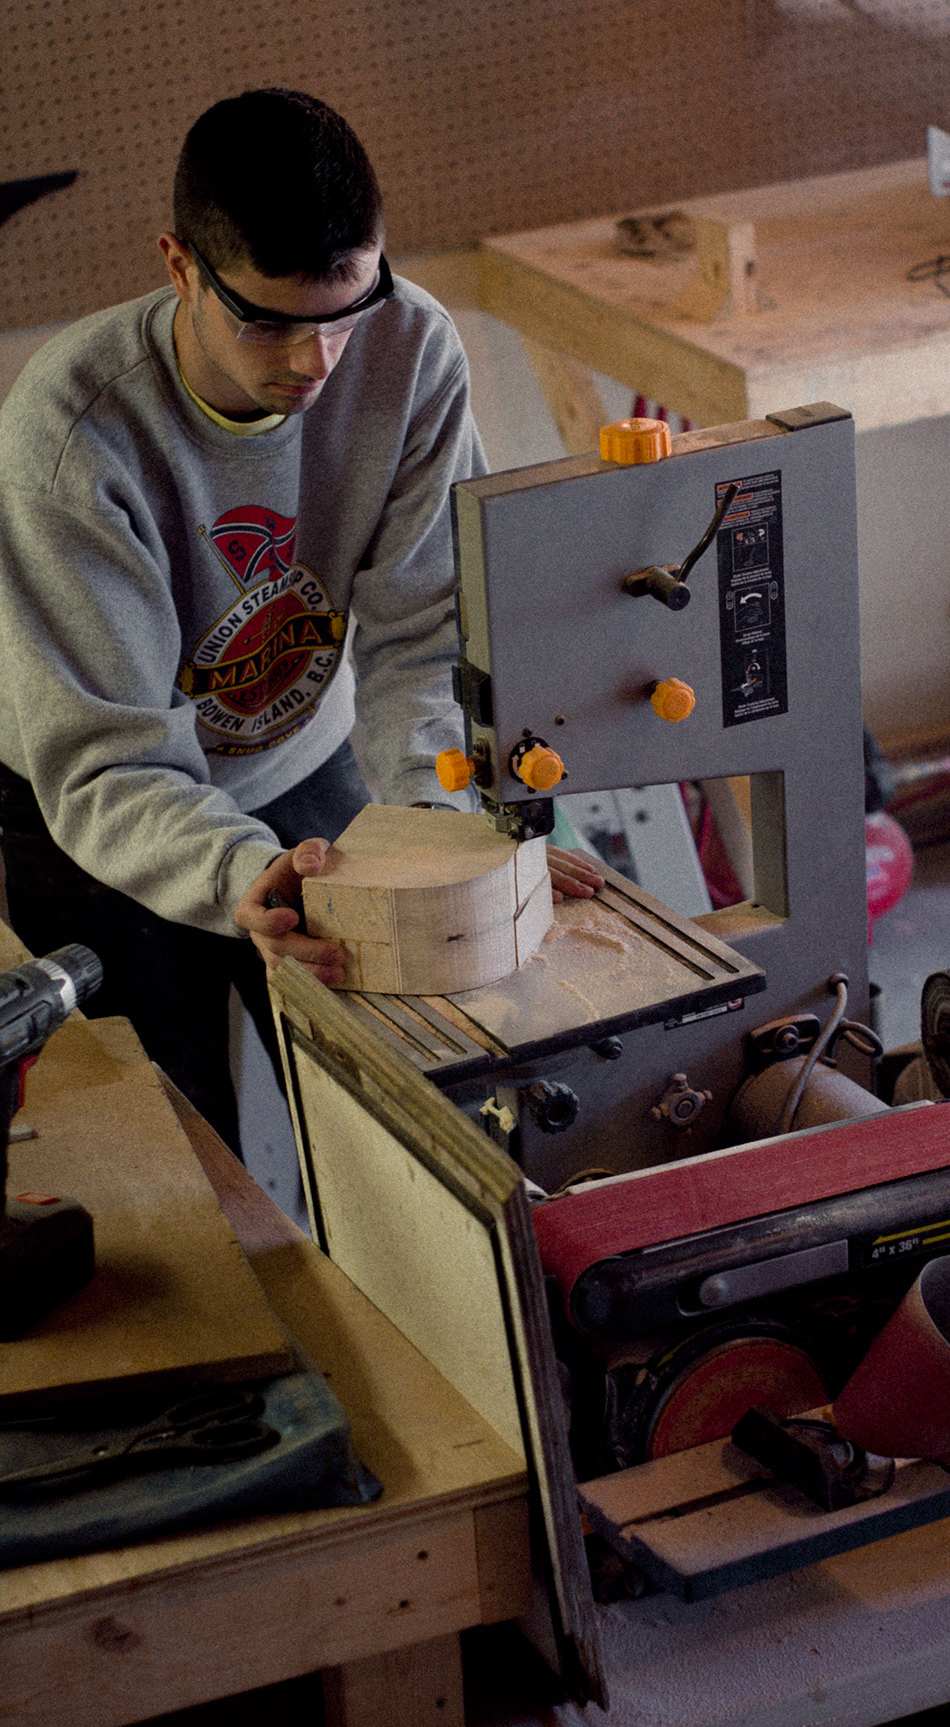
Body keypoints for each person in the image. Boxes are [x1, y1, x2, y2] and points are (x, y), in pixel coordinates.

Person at [0, 88, 598, 1152]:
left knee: (402, 1104)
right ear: (181, 266)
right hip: (97, 810)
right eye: (267, 320)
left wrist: (459, 837)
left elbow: (426, 638)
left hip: (303, 756)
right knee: (185, 1151)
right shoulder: (69, 435)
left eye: (343, 313)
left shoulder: (410, 348)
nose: (315, 364)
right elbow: (111, 762)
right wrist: (239, 878)